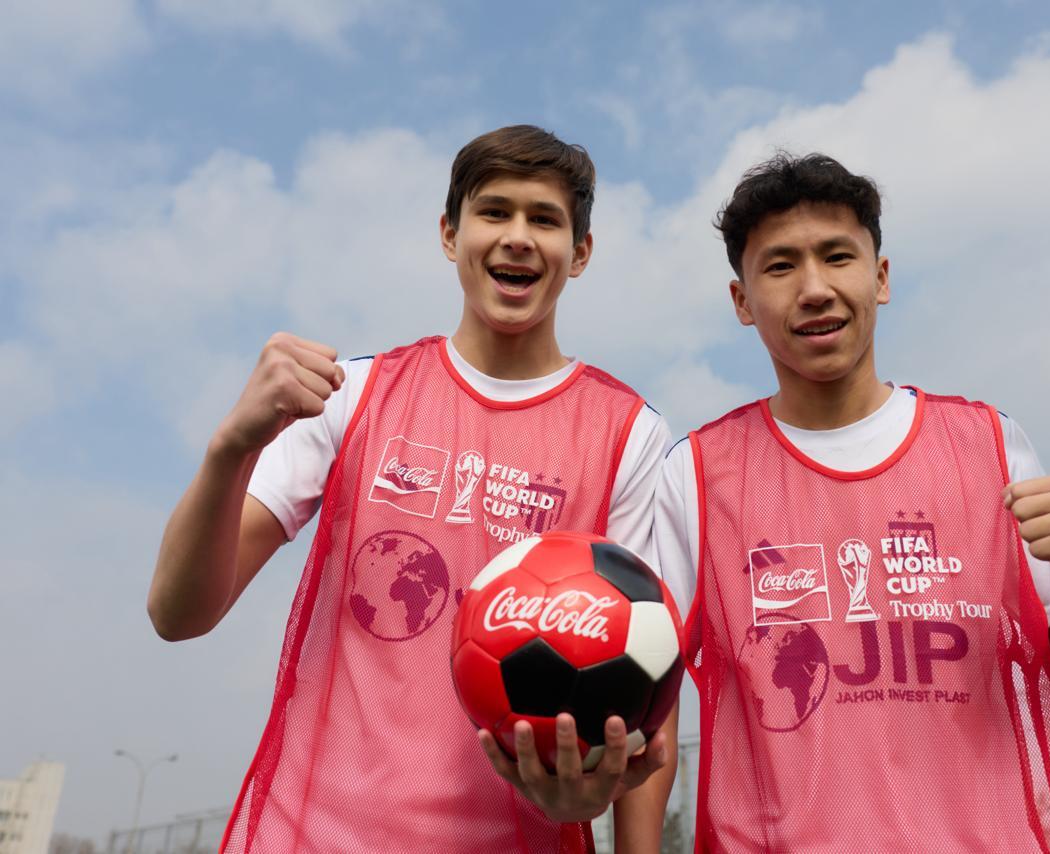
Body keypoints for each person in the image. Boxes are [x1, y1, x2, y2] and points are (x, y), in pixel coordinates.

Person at [149, 125, 676, 853]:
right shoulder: (351, 396)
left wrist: (599, 796)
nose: (517, 237)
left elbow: (651, 672)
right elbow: (177, 615)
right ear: (450, 234)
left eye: (544, 219)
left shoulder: (630, 434)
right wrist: (229, 449)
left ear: (580, 253)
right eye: (494, 212)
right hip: (308, 837)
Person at [653, 153, 1050, 851]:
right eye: (780, 266)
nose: (814, 289)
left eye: (837, 257)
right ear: (742, 301)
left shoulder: (989, 446)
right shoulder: (697, 476)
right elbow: (639, 693)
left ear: (879, 278)